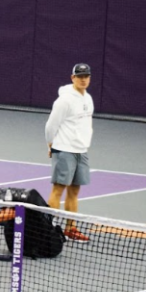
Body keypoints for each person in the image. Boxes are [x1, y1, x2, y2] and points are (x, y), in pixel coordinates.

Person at [45, 63, 95, 242]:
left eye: (86, 76)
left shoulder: (87, 98)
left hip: (81, 151)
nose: (83, 79)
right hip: (64, 149)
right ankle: (47, 228)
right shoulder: (64, 101)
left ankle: (70, 229)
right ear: (72, 77)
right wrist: (51, 144)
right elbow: (51, 125)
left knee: (74, 191)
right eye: (80, 76)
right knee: (58, 189)